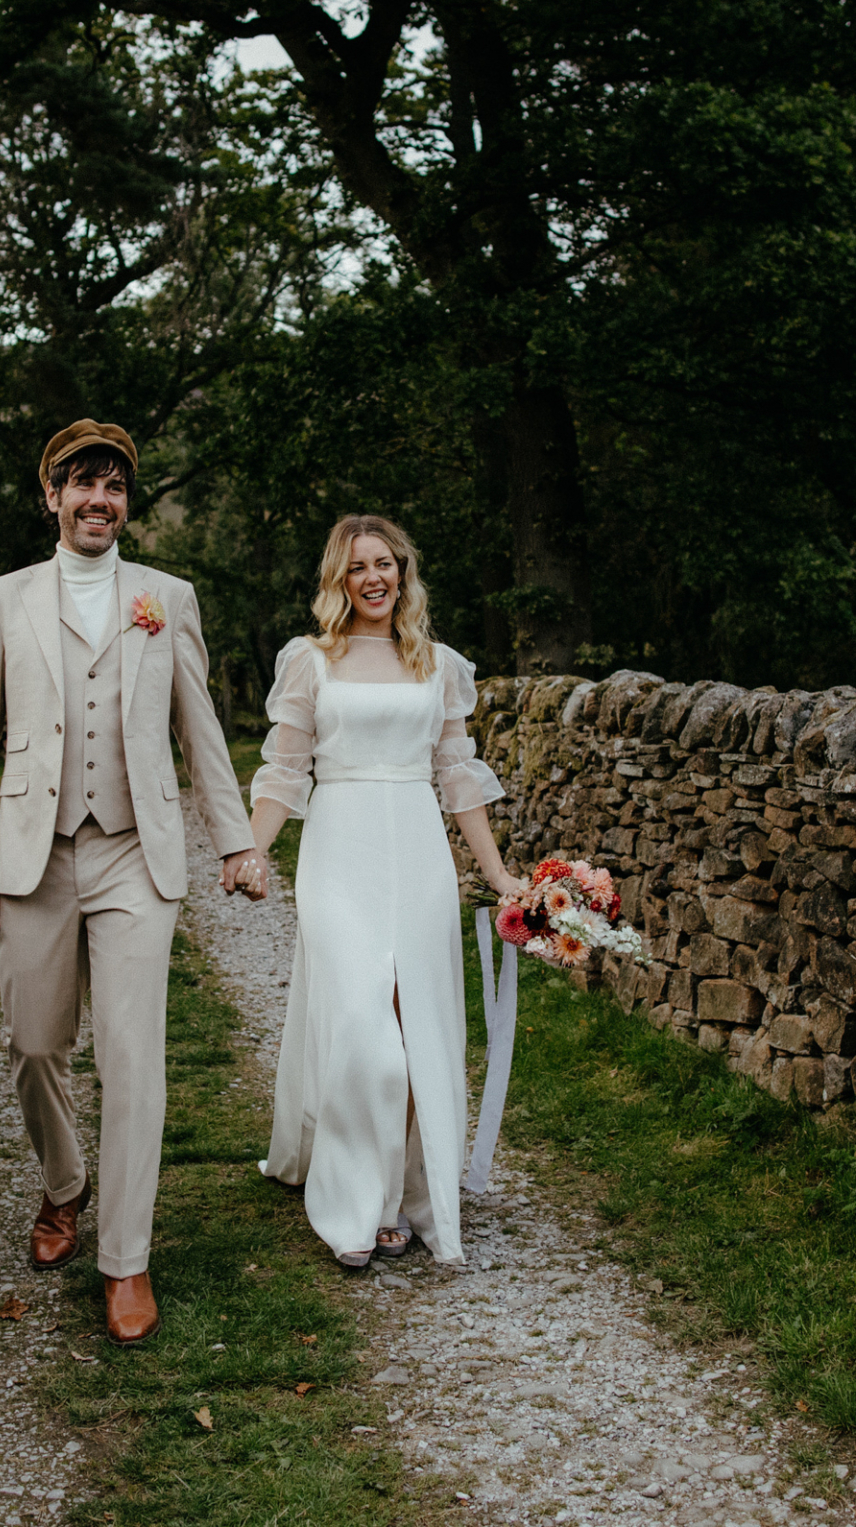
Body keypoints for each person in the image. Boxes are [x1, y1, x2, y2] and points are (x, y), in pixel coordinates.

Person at [0, 419, 259, 1344]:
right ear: (51, 497)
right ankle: (63, 1186)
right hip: (33, 853)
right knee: (35, 1044)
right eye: (82, 485)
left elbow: (201, 726)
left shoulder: (165, 596)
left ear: (128, 501)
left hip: (135, 853)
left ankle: (125, 1257)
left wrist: (236, 840)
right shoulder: (4, 598)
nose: (99, 501)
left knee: (132, 1058)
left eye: (115, 487)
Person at [238, 514, 522, 1268]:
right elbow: (286, 768)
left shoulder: (438, 664)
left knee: (414, 1022)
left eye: (386, 563)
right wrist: (251, 848)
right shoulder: (309, 660)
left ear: (403, 572)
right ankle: (354, 1205)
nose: (375, 577)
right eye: (359, 566)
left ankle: (402, 1198)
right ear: (339, 578)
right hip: (339, 847)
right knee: (364, 1024)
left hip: (418, 850)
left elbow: (457, 778)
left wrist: (496, 876)